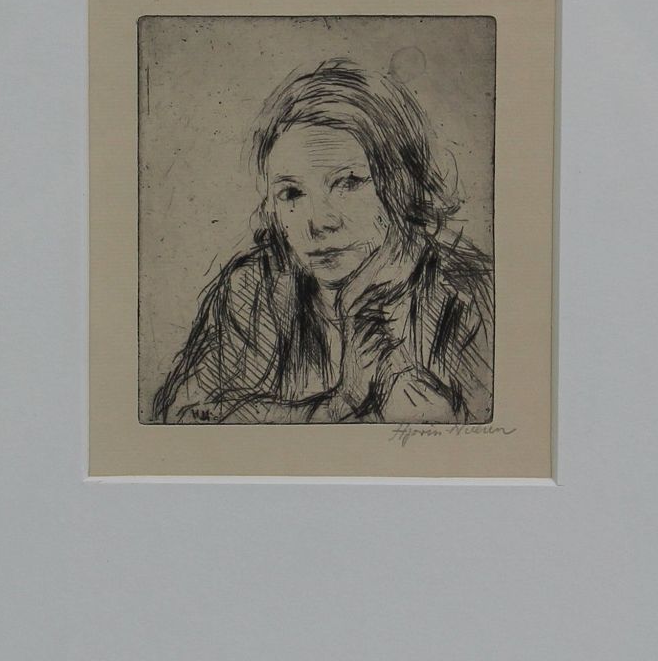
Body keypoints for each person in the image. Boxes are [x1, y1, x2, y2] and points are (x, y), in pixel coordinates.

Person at [151, 58, 493, 424]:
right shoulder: (254, 287)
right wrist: (338, 408)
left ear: (400, 184)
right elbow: (183, 419)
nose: (318, 223)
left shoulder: (467, 293)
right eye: (292, 193)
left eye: (348, 183)